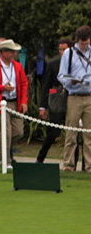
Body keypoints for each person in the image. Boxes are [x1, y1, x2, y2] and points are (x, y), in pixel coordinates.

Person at [0, 39, 28, 166]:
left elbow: (24, 84)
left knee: (18, 132)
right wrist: (2, 88)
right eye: (11, 51)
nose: (14, 54)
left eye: (14, 51)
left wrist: (24, 101)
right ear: (2, 52)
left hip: (14, 102)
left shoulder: (17, 66)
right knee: (5, 133)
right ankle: (6, 162)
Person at [58, 25, 91, 172]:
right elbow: (61, 75)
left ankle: (89, 166)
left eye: (87, 43)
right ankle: (68, 165)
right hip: (74, 96)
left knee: (89, 134)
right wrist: (71, 81)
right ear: (77, 40)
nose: (85, 46)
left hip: (89, 96)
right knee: (71, 132)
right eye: (82, 43)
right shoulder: (69, 54)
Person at [37, 38, 72, 164]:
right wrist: (43, 106)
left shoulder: (76, 64)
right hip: (57, 102)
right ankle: (40, 159)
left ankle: (78, 165)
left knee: (74, 134)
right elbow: (46, 86)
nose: (62, 52)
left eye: (65, 49)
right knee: (53, 133)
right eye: (60, 49)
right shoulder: (53, 64)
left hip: (73, 101)